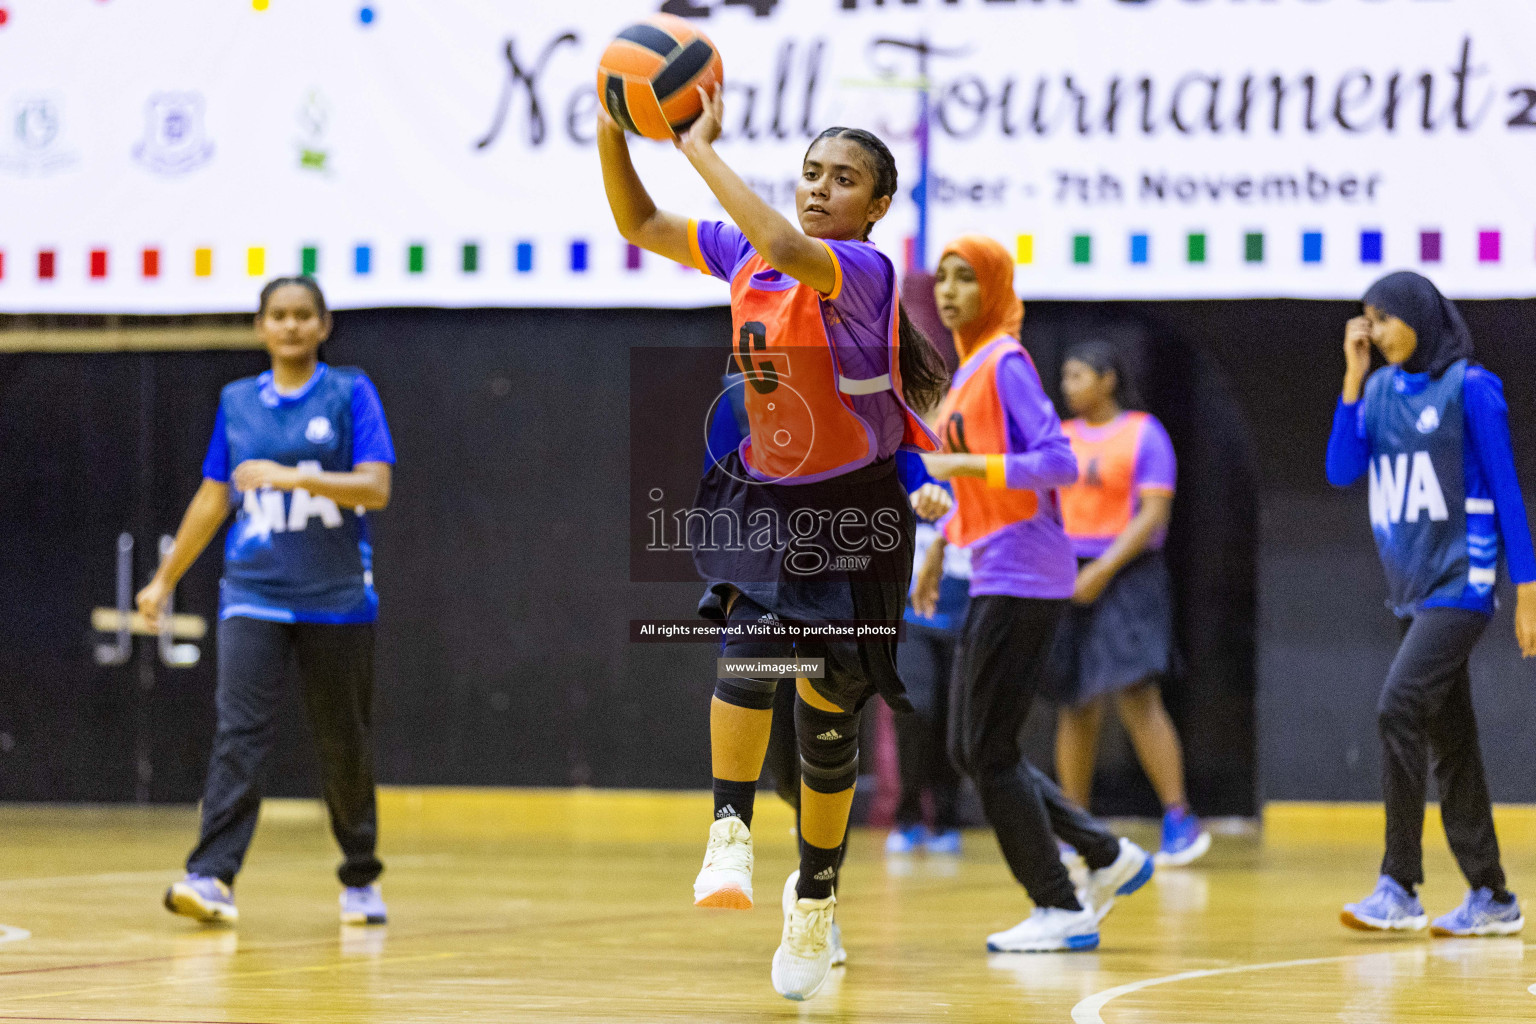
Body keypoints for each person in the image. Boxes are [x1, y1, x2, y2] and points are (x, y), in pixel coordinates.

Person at [599, 85, 949, 999]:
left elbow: (788, 245)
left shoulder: (862, 271)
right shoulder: (746, 258)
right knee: (746, 653)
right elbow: (637, 222)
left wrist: (695, 144)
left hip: (857, 515)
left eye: (844, 180)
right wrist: (614, 131)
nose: (820, 189)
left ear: (876, 207)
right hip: (768, 493)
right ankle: (729, 833)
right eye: (810, 174)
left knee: (829, 720)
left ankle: (818, 899)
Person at [915, 235, 1152, 953]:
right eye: (944, 280)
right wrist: (941, 541)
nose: (952, 291)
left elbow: (1056, 462)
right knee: (974, 746)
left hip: (1026, 569)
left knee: (983, 749)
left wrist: (961, 462)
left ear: (994, 288)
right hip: (993, 562)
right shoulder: (965, 372)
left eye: (967, 279)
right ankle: (1103, 855)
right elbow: (982, 492)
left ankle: (1061, 902)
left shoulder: (1005, 361)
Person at [137, 276, 395, 928]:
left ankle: (360, 877)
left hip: (337, 599)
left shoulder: (349, 391)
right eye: (278, 315)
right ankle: (211, 876)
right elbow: (212, 496)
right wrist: (164, 579)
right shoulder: (235, 401)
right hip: (253, 594)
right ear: (261, 327)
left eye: (303, 316)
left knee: (343, 743)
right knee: (238, 735)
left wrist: (296, 475)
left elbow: (375, 489)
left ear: (323, 326)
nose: (290, 326)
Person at [1328, 270, 1534, 937]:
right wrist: (1353, 380)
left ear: (1420, 316)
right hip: (1412, 592)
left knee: (1398, 707)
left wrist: (1527, 589)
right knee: (1454, 743)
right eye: (1366, 320)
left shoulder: (1470, 388)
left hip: (1463, 583)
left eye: (1384, 318)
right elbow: (1340, 468)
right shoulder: (1382, 388)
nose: (1374, 331)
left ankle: (1399, 883)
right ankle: (1492, 896)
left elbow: (1507, 491)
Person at [1046, 341, 1211, 867]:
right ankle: (1074, 827)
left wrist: (1104, 569)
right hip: (1067, 574)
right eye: (1065, 377)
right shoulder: (1060, 438)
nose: (1068, 386)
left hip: (1126, 573)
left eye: (1078, 376)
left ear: (1108, 379)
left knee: (1137, 695)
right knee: (1075, 702)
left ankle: (1178, 820)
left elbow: (1153, 515)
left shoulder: (1144, 433)